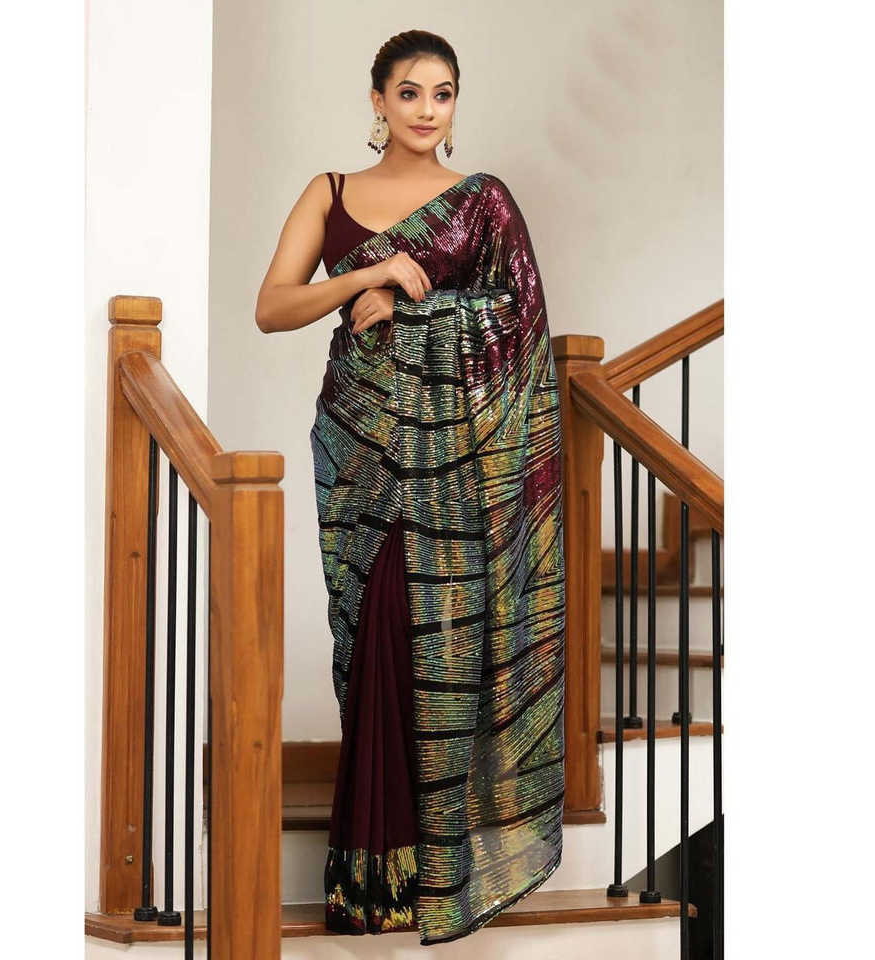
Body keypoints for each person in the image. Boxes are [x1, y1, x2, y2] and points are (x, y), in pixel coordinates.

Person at [255, 29, 567, 948]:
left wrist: (416, 299)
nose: (427, 110)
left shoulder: (484, 203)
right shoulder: (331, 193)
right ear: (378, 101)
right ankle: (371, 877)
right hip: (359, 447)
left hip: (455, 469)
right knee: (370, 636)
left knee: (430, 642)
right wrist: (373, 270)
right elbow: (274, 306)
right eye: (409, 92)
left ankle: (433, 869)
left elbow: (522, 323)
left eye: (443, 93)